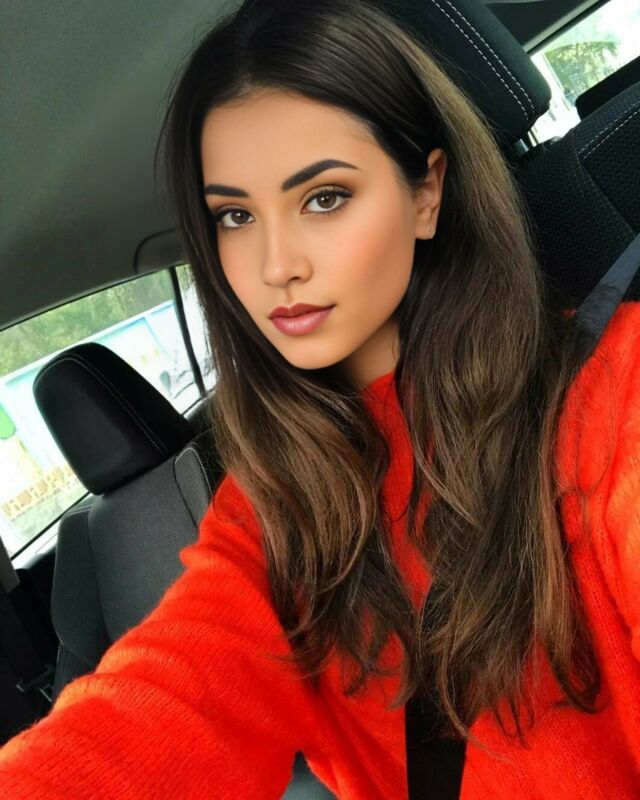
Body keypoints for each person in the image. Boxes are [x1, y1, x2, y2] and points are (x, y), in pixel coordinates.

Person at [1, 0, 639, 797]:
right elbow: (160, 705)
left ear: (425, 194)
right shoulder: (270, 506)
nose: (275, 265)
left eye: (324, 197)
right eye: (235, 215)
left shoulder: (613, 393)